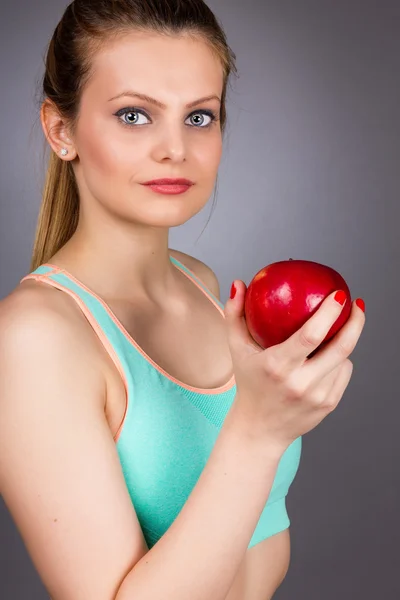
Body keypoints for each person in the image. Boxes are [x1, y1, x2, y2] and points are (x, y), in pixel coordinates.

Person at [0, 1, 366, 599]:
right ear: (60, 129)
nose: (175, 149)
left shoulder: (197, 281)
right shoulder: (32, 340)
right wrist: (259, 430)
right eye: (135, 115)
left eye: (200, 118)